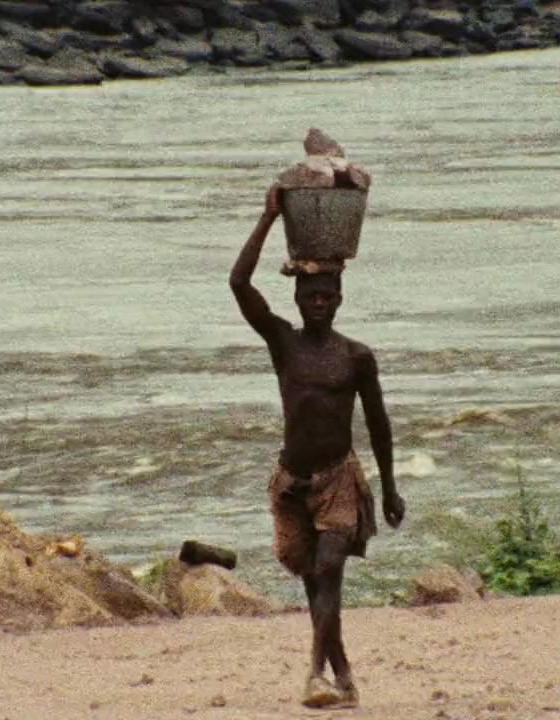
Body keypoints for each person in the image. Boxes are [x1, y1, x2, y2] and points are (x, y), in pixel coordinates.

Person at [229, 184, 406, 709]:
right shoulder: (283, 343)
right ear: (298, 300)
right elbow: (238, 282)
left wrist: (390, 487)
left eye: (327, 297)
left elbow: (378, 423)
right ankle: (344, 678)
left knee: (329, 572)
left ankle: (313, 675)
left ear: (340, 298)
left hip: (337, 481)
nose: (319, 304)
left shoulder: (356, 357)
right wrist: (267, 217)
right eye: (311, 297)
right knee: (314, 584)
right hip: (292, 483)